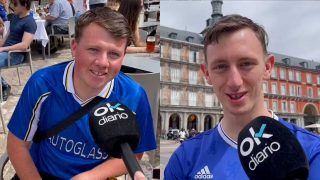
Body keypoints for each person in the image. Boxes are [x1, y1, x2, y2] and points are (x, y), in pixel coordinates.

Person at [7, 7, 156, 179]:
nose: (102, 62)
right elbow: (17, 144)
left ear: (123, 57)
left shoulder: (135, 96)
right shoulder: (43, 84)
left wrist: (90, 176)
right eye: (93, 49)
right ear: (74, 47)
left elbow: (134, 153)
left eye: (114, 54)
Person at [164, 15, 320, 179]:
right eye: (221, 66)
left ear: (268, 67)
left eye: (246, 64)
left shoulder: (312, 152)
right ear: (207, 74)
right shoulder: (184, 159)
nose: (235, 82)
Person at [0, 0, 36, 102]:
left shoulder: (30, 22)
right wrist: (1, 45)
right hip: (5, 52)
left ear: (24, 5)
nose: (13, 6)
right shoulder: (15, 17)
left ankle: (4, 86)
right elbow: (7, 35)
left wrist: (3, 49)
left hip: (16, 55)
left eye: (15, 4)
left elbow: (24, 45)